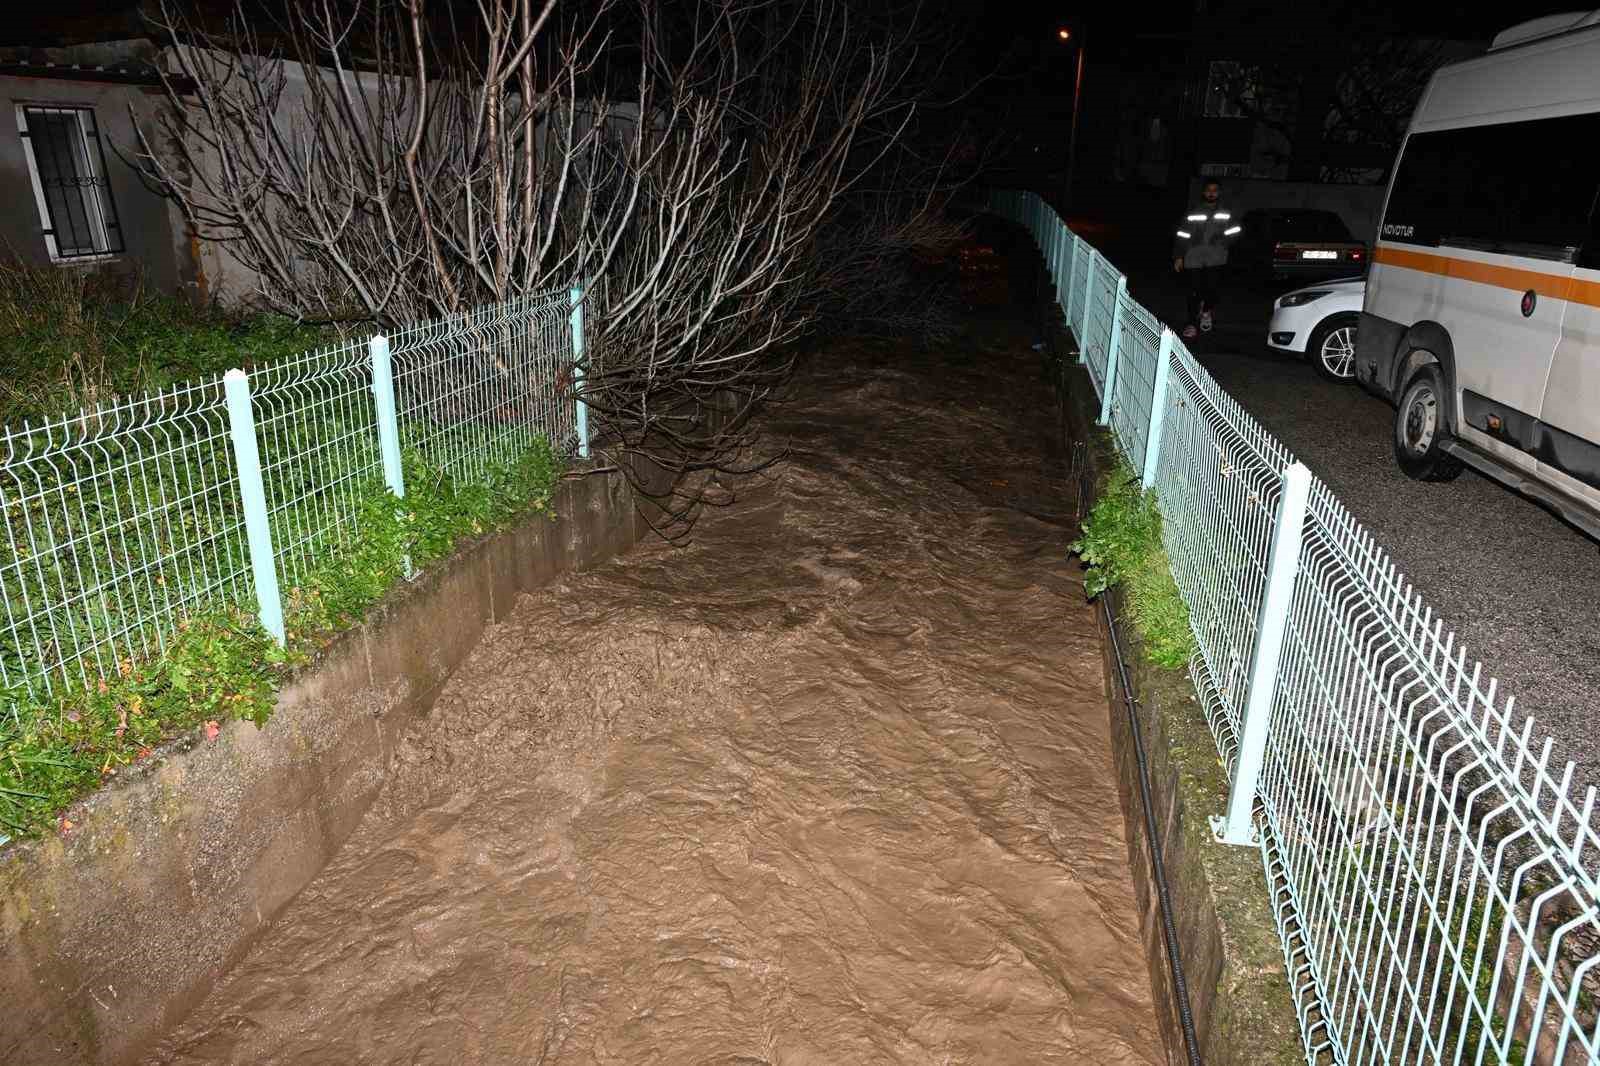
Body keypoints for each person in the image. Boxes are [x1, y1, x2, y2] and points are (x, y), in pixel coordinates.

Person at [1172, 179, 1240, 339]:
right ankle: (1191, 323)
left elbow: (1236, 230)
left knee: (1212, 290)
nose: (1211, 192)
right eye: (1208, 189)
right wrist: (1178, 256)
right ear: (1204, 192)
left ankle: (1206, 310)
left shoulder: (1227, 211)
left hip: (1216, 257)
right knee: (1193, 291)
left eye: (1215, 190)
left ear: (1219, 192)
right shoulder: (1193, 210)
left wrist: (1223, 240)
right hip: (1193, 256)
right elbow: (1182, 234)